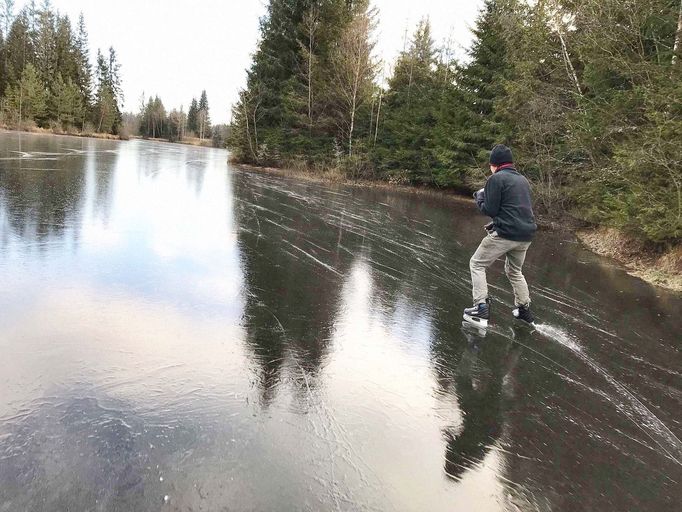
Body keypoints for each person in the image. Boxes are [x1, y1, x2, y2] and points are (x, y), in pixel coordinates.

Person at [463, 144, 537, 326]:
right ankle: (523, 310)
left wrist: (479, 197)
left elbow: (490, 209)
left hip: (506, 234)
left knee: (477, 264)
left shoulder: (496, 179)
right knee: (514, 271)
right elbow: (514, 209)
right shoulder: (523, 180)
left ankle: (481, 308)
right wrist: (495, 224)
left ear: (494, 164)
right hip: (525, 235)